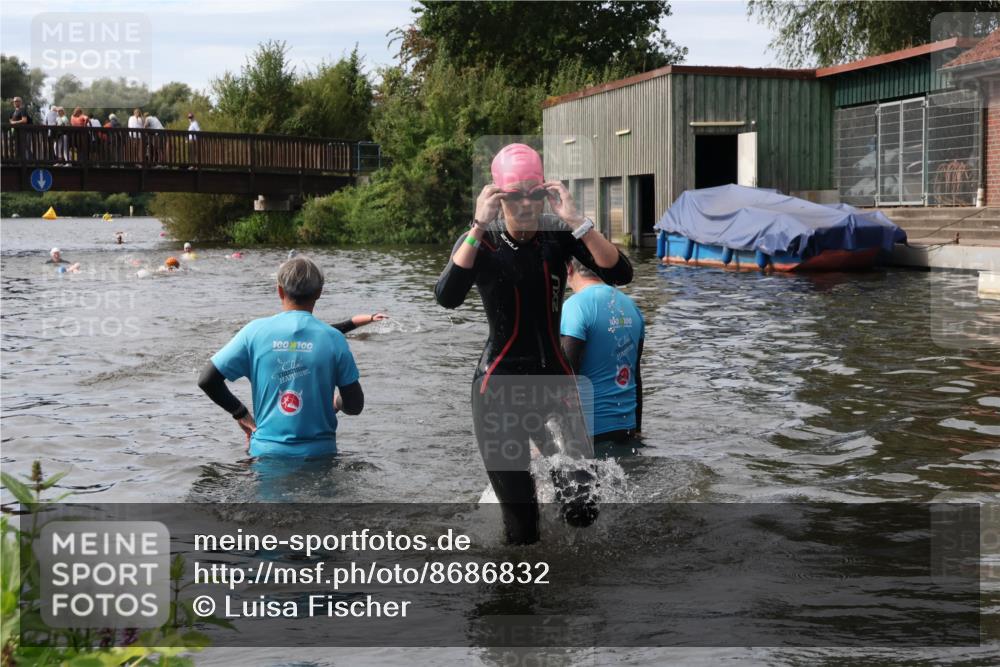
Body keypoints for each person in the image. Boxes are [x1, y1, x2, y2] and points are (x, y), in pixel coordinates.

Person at [434, 143, 633, 544]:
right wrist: (477, 224)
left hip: (555, 386)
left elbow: (621, 273)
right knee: (523, 532)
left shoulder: (557, 237)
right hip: (498, 390)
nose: (526, 203)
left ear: (544, 192)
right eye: (515, 193)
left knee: (582, 507)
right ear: (498, 194)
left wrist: (577, 219)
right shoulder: (481, 241)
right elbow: (447, 295)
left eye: (534, 192)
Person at [198, 256, 364, 457]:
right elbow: (355, 406)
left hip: (266, 453)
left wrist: (240, 413)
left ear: (279, 290)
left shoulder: (254, 332)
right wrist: (337, 402)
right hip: (319, 456)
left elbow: (207, 380)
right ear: (320, 292)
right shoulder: (334, 339)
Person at [560, 258, 644, 444]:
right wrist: (637, 429)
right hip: (626, 428)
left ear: (569, 268)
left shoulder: (575, 307)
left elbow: (567, 377)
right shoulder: (631, 307)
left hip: (588, 433)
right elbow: (635, 376)